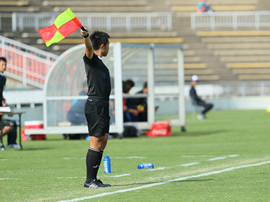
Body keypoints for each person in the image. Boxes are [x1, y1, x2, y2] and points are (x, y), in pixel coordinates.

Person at [81, 28, 111, 188]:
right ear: (103, 45)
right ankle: (90, 180)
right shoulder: (91, 58)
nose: (108, 48)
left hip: (102, 105)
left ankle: (94, 178)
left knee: (103, 140)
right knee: (96, 142)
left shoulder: (99, 62)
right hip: (95, 104)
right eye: (108, 45)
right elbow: (88, 48)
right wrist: (86, 36)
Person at [0, 57, 20, 149]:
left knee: (12, 124)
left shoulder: (3, 78)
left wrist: (3, 99)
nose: (4, 67)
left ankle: (11, 143)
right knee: (8, 125)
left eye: (5, 65)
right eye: (2, 65)